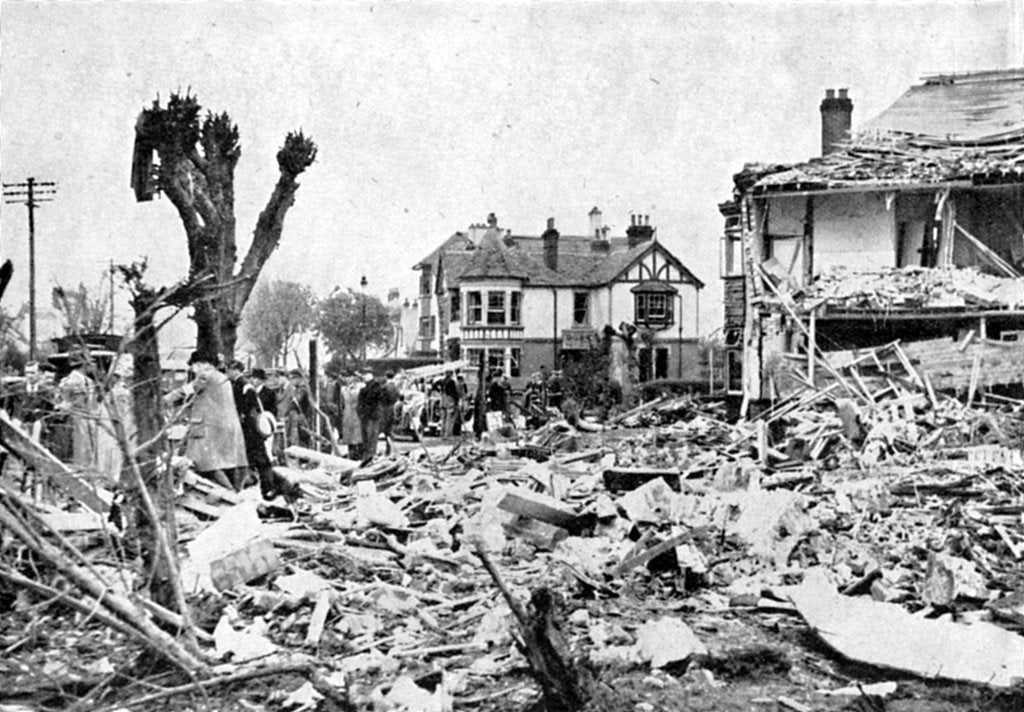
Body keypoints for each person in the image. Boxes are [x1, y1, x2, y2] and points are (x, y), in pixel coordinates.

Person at [169, 351, 248, 491]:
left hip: (210, 427)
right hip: (227, 426)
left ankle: (229, 495)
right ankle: (234, 492)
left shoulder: (204, 376)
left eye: (192, 366)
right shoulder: (222, 377)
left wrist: (161, 401)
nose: (192, 370)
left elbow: (185, 391)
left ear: (199, 364)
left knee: (203, 463)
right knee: (224, 463)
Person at [226, 361, 278, 498]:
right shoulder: (238, 384)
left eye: (229, 369)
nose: (227, 372)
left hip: (250, 430)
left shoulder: (244, 385)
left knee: (260, 459)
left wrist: (244, 420)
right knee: (253, 459)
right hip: (247, 429)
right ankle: (259, 487)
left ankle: (269, 488)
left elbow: (249, 409)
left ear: (236, 370)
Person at [357, 371, 385, 464]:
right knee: (369, 436)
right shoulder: (372, 387)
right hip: (369, 415)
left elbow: (369, 399)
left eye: (365, 375)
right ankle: (368, 455)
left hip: (371, 415)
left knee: (370, 436)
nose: (363, 377)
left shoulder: (374, 387)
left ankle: (369, 456)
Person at [281, 369, 312, 448]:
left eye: (292, 378)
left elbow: (295, 401)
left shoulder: (302, 389)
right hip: (301, 417)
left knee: (304, 438)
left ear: (298, 378)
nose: (291, 381)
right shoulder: (299, 388)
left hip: (303, 417)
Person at [380, 371, 401, 456]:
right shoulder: (395, 387)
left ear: (386, 377)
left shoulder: (385, 387)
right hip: (393, 408)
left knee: (383, 430)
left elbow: (381, 398)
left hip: (385, 409)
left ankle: (387, 451)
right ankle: (388, 450)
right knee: (389, 430)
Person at [440, 370, 460, 438]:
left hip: (443, 399)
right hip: (450, 400)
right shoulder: (452, 382)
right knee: (450, 418)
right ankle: (447, 434)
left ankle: (442, 433)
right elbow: (454, 392)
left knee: (443, 418)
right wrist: (456, 401)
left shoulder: (443, 381)